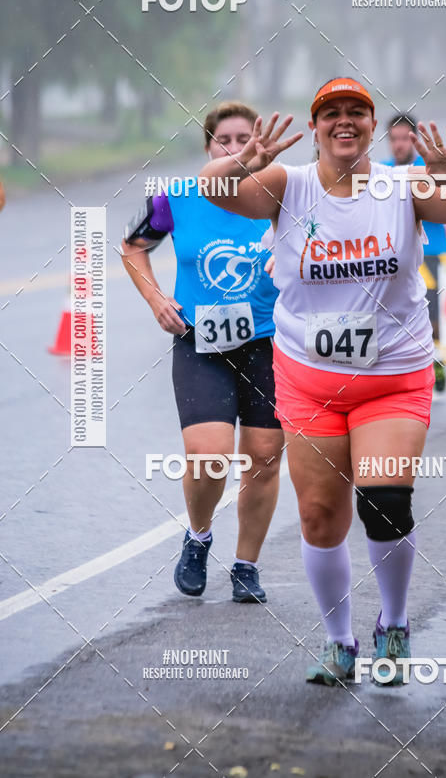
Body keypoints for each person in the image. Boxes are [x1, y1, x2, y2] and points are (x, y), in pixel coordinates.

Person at [196, 77, 446, 686]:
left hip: (392, 376)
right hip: (308, 380)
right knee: (318, 516)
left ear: (370, 124)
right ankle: (340, 643)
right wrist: (243, 160)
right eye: (331, 113)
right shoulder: (288, 185)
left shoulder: (402, 185)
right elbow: (213, 188)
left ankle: (395, 624)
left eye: (356, 112)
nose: (344, 121)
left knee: (384, 501)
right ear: (314, 128)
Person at [120, 101, 284, 604]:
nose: (235, 149)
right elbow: (132, 245)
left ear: (260, 143)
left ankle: (246, 565)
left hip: (270, 343)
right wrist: (156, 299)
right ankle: (198, 536)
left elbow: (322, 242)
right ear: (208, 147)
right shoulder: (178, 197)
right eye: (224, 141)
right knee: (210, 457)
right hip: (201, 343)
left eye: (244, 139)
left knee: (263, 458)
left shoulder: (284, 193)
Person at [385, 112, 446, 391]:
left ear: (414, 140)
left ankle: (438, 362)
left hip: (432, 251)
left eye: (404, 139)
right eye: (394, 139)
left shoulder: (429, 168)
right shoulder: (381, 171)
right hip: (396, 257)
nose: (398, 145)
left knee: (433, 317)